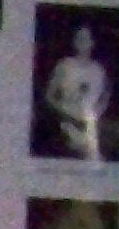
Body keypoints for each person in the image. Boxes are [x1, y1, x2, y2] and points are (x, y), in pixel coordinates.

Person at [41, 19, 114, 162]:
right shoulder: (64, 65)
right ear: (74, 41)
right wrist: (65, 112)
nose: (82, 42)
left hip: (89, 128)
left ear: (92, 42)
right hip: (65, 126)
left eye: (86, 39)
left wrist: (96, 114)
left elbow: (106, 95)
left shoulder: (98, 70)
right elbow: (49, 95)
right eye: (79, 38)